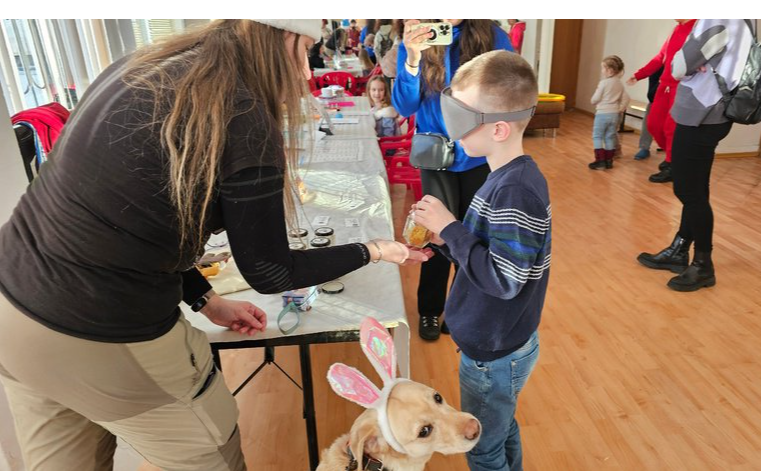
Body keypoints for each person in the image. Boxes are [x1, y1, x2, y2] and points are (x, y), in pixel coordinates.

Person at [0, 19, 430, 471]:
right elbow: (271, 273)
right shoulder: (242, 115)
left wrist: (204, 300)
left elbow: (127, 221)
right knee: (211, 456)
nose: (305, 73)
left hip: (12, 306)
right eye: (304, 51)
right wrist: (374, 251)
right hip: (104, 324)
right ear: (278, 38)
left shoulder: (143, 66)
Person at [413, 50, 549, 471]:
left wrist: (451, 226)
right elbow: (490, 251)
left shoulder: (515, 191)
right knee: (500, 427)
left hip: (494, 352)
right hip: (495, 342)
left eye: (462, 119)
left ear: (500, 129)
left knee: (481, 446)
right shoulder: (503, 176)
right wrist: (444, 240)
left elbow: (506, 279)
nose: (452, 130)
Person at [393, 19, 513, 340]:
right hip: (436, 156)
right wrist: (413, 57)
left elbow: (509, 93)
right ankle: (430, 311)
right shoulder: (418, 36)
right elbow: (404, 104)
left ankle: (463, 309)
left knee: (472, 236)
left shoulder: (494, 35)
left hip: (480, 154)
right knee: (435, 234)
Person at [638, 19, 755, 292]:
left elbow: (678, 66)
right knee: (696, 189)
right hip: (713, 112)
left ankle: (703, 264)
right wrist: (694, 63)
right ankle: (680, 249)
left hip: (702, 114)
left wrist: (692, 65)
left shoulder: (718, 21)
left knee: (689, 192)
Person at [627, 19, 696, 183]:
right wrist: (640, 74)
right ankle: (674, 158)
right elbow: (660, 58)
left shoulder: (697, 29)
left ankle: (673, 164)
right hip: (664, 84)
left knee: (671, 127)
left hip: (682, 86)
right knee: (653, 124)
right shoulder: (675, 29)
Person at [589, 55, 629, 170]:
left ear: (609, 70)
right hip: (614, 115)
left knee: (597, 136)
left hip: (602, 114)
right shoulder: (620, 84)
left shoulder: (604, 83)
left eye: (603, 68)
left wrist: (593, 101)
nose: (602, 71)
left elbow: (595, 98)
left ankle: (599, 161)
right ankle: (608, 161)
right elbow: (626, 98)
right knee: (609, 137)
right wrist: (620, 109)